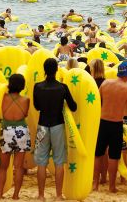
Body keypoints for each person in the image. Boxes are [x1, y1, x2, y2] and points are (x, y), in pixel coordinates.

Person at [33, 58, 77, 201]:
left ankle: (41, 195)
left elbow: (37, 107)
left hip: (42, 126)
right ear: (57, 69)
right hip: (58, 125)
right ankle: (58, 195)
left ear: (44, 70)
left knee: (41, 162)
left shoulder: (37, 87)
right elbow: (74, 106)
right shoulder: (62, 88)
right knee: (59, 161)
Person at [93, 61, 127, 193]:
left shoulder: (105, 83)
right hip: (116, 125)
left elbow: (97, 102)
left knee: (98, 154)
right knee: (114, 157)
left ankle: (95, 183)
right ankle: (111, 186)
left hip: (102, 122)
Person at [0, 74, 30, 199]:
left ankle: (0, 194)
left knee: (3, 167)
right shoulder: (26, 100)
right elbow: (25, 114)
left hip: (7, 131)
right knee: (19, 167)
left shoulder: (3, 97)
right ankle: (15, 195)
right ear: (22, 85)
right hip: (21, 131)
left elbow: (0, 89)